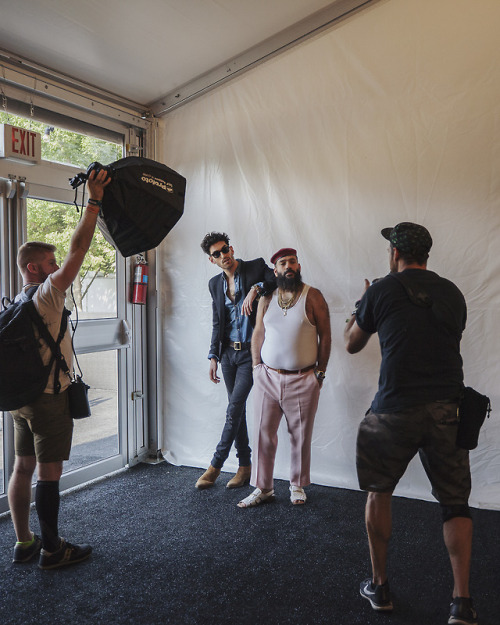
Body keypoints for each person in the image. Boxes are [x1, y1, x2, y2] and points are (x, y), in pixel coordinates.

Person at [344, 222, 477, 625]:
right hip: (446, 409)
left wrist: (362, 303)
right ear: (427, 255)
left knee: (379, 491)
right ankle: (461, 604)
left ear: (394, 254)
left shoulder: (381, 290)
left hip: (394, 408)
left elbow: (352, 343)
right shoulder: (452, 293)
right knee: (455, 504)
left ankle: (380, 588)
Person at [8, 168, 111, 569]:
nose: (57, 267)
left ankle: (24, 542)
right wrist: (94, 200)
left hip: (20, 399)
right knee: (48, 475)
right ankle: (53, 551)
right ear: (34, 268)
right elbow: (79, 248)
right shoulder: (47, 296)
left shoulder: (16, 302)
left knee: (22, 467)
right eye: (49, 262)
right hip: (49, 399)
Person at [238, 248, 331, 508]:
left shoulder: (313, 296)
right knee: (262, 433)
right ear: (276, 270)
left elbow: (326, 336)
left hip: (303, 378)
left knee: (300, 435)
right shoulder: (267, 298)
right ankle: (263, 487)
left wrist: (320, 374)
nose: (288, 266)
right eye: (283, 263)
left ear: (298, 266)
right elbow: (258, 332)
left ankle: (296, 485)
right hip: (267, 376)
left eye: (292, 261)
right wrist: (257, 367)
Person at [196, 232, 276, 490]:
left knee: (233, 408)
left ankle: (215, 465)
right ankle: (244, 466)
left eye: (225, 249)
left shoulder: (255, 267)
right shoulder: (214, 284)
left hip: (252, 354)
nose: (224, 255)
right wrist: (213, 356)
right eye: (217, 254)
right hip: (228, 354)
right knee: (236, 409)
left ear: (231, 248)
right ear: (212, 260)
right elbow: (218, 322)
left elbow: (274, 282)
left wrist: (256, 289)